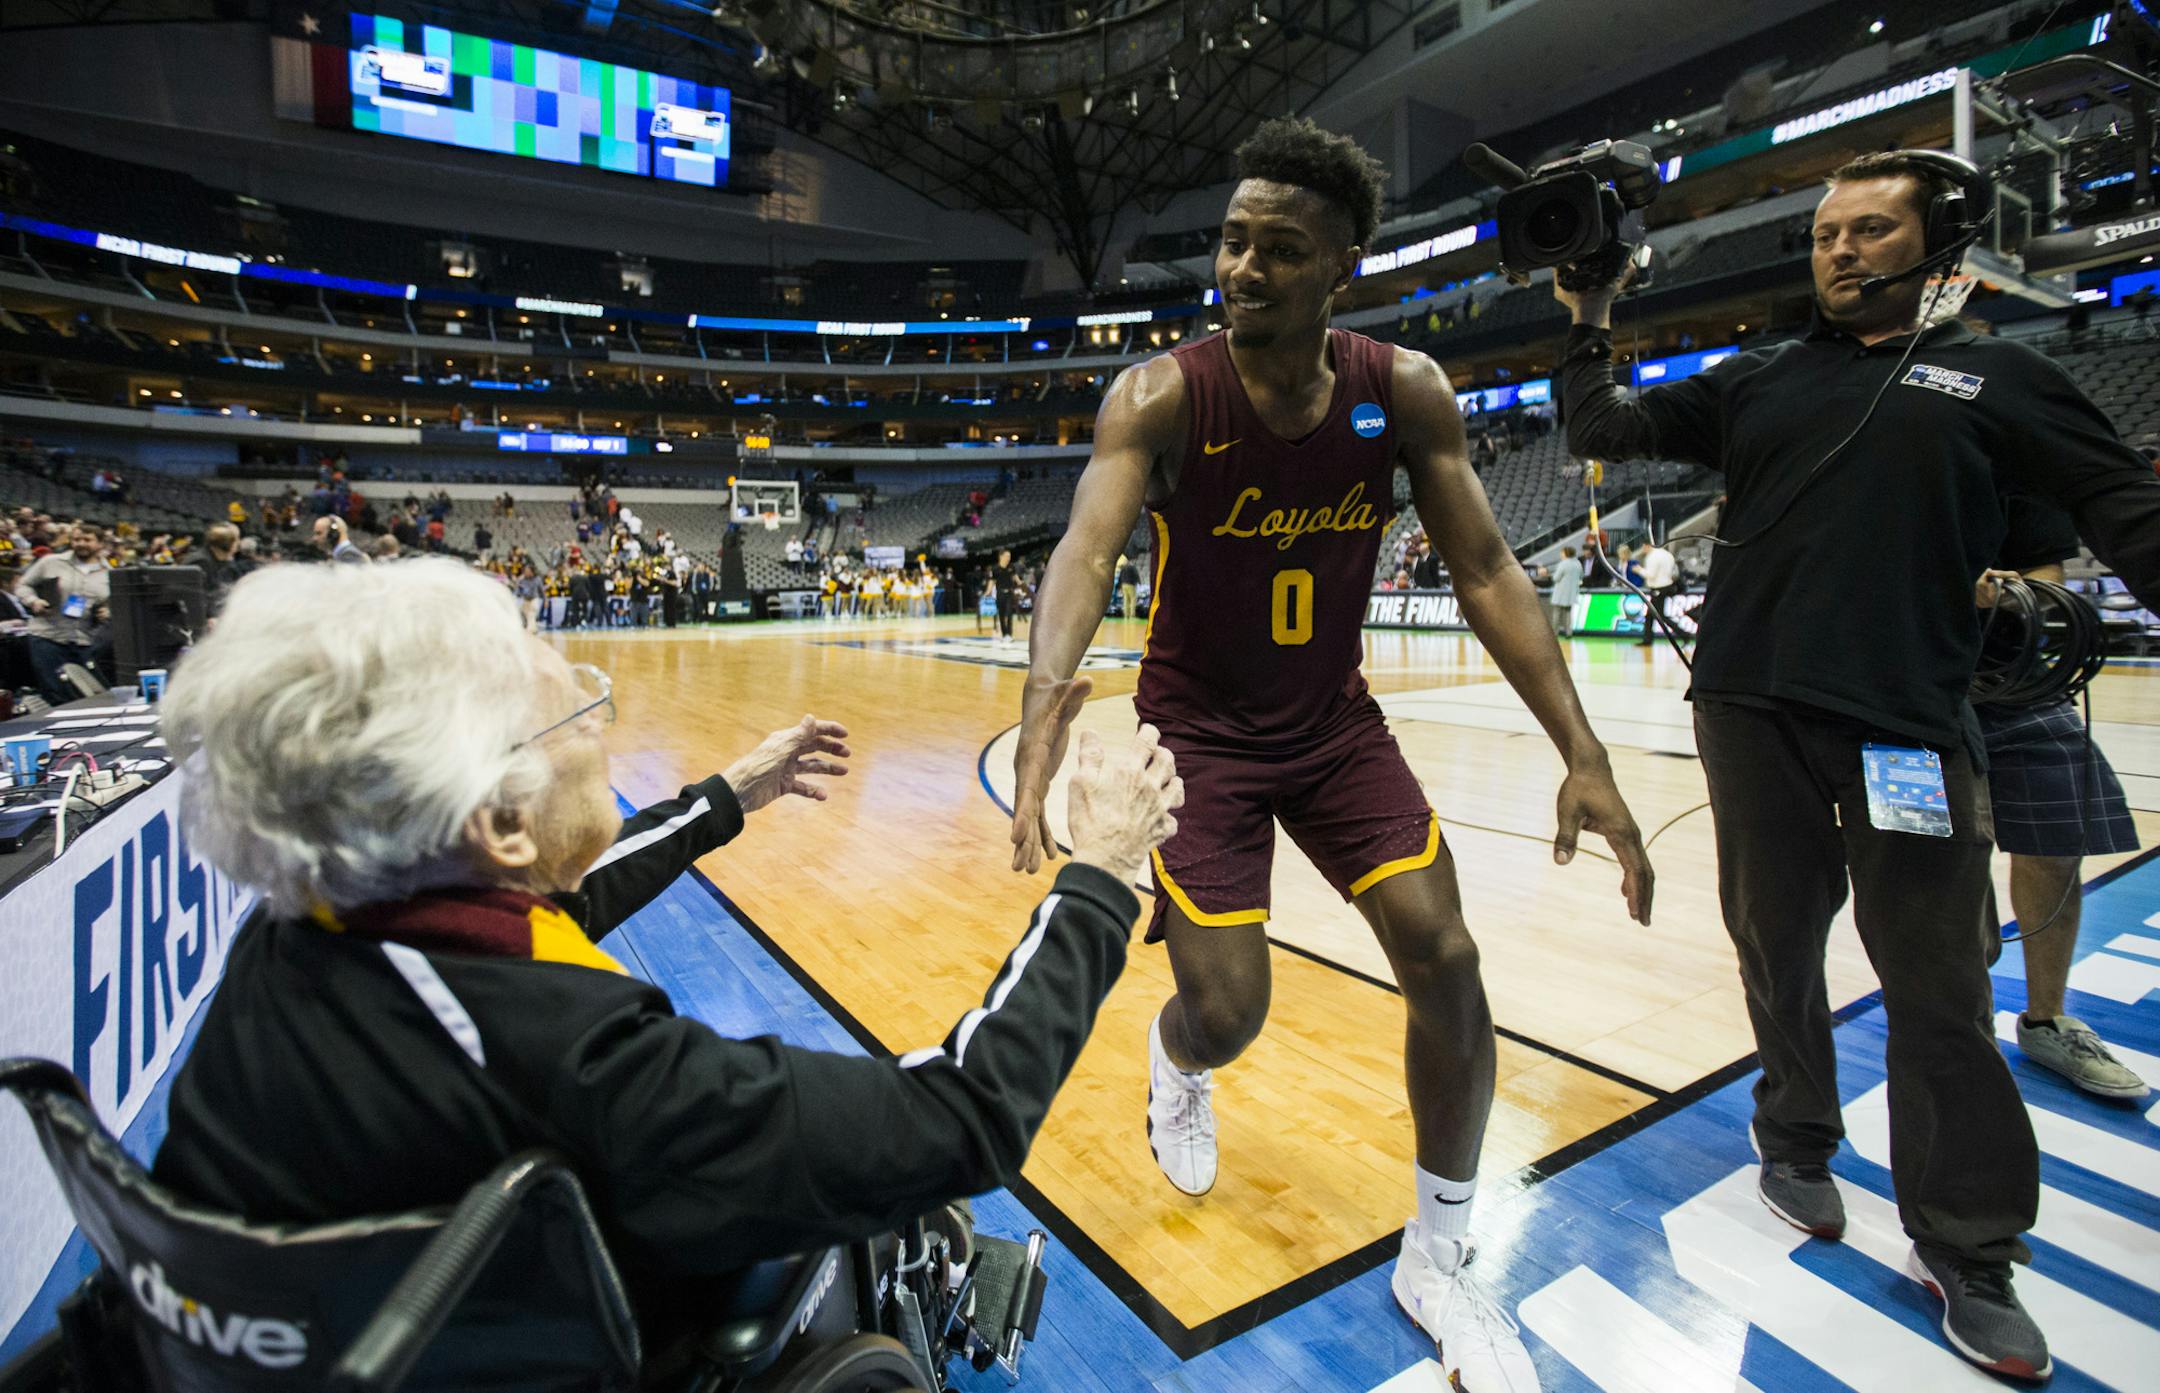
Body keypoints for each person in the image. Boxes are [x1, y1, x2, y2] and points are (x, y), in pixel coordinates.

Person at [150, 558, 1183, 1362]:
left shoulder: (306, 936)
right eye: (576, 709)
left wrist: (726, 795)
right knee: (883, 1186)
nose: (605, 722)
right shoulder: (587, 1068)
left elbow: (553, 898)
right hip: (597, 1333)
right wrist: (1102, 866)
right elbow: (963, 1116)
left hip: (388, 1328)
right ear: (502, 821)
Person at [1011, 115, 1651, 1392]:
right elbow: (1083, 552)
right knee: (1231, 1014)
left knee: (1448, 952)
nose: (1242, 268)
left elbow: (1484, 567)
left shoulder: (1400, 389)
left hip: (1331, 724)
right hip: (1197, 735)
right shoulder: (1159, 394)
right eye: (1234, 242)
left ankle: (1441, 1255)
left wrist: (1583, 749)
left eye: (1279, 249)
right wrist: (1043, 717)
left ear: (1340, 268)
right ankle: (1177, 1058)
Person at [1556, 149, 2160, 1381]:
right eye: (1829, 231)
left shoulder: (2005, 378)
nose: (1839, 249)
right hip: (1747, 713)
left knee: (1939, 984)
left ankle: (1972, 1245)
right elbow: (1604, 423)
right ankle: (1796, 1138)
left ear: (1941, 246)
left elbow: (2116, 511)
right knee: (1775, 945)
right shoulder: (1759, 377)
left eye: (1872, 229)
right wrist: (1589, 314)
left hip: (1909, 725)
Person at [1977, 500, 2146, 1100]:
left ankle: (2047, 1020)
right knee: (1939, 868)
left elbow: (2047, 575)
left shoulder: (2008, 462)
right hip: (1904, 691)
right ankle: (1959, 1026)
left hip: (2017, 686)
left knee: (2055, 849)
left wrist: (2001, 592)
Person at [14, 522, 110, 705]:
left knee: (89, 694)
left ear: (100, 544)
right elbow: (22, 585)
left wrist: (108, 610)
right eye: (76, 539)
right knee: (56, 694)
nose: (80, 543)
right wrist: (34, 601)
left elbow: (109, 602)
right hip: (47, 636)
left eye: (87, 540)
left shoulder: (108, 573)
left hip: (84, 639)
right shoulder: (51, 562)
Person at [1634, 535, 1677, 646]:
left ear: (1647, 545)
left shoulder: (1652, 557)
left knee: (1659, 616)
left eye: (1643, 546)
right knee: (1650, 616)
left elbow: (1651, 575)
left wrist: (1639, 570)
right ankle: (1647, 639)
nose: (1643, 549)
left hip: (1658, 588)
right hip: (1667, 585)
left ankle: (1683, 633)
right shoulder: (1667, 554)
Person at [1548, 545, 1582, 638]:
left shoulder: (1563, 564)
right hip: (1572, 593)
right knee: (1568, 613)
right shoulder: (1578, 563)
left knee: (1557, 613)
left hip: (1561, 593)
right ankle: (1569, 632)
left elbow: (1556, 578)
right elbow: (1581, 576)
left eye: (1562, 552)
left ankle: (1555, 632)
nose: (1560, 554)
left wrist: (1550, 575)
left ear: (1566, 553)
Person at [991, 548, 1019, 643]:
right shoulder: (995, 569)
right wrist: (987, 592)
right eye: (1007, 556)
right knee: (1002, 615)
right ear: (1001, 556)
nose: (1009, 558)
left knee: (1009, 613)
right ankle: (1004, 635)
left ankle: (1009, 635)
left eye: (1009, 556)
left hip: (1009, 594)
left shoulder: (1011, 567)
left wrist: (1022, 585)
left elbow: (1016, 579)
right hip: (1000, 593)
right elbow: (992, 582)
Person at [1117, 553, 1141, 619]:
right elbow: (1136, 575)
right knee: (1133, 599)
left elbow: (1120, 577)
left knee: (1125, 600)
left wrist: (1119, 586)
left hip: (1123, 585)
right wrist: (1139, 582)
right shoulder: (1132, 567)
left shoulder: (1123, 568)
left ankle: (1126, 615)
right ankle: (1132, 615)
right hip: (1131, 584)